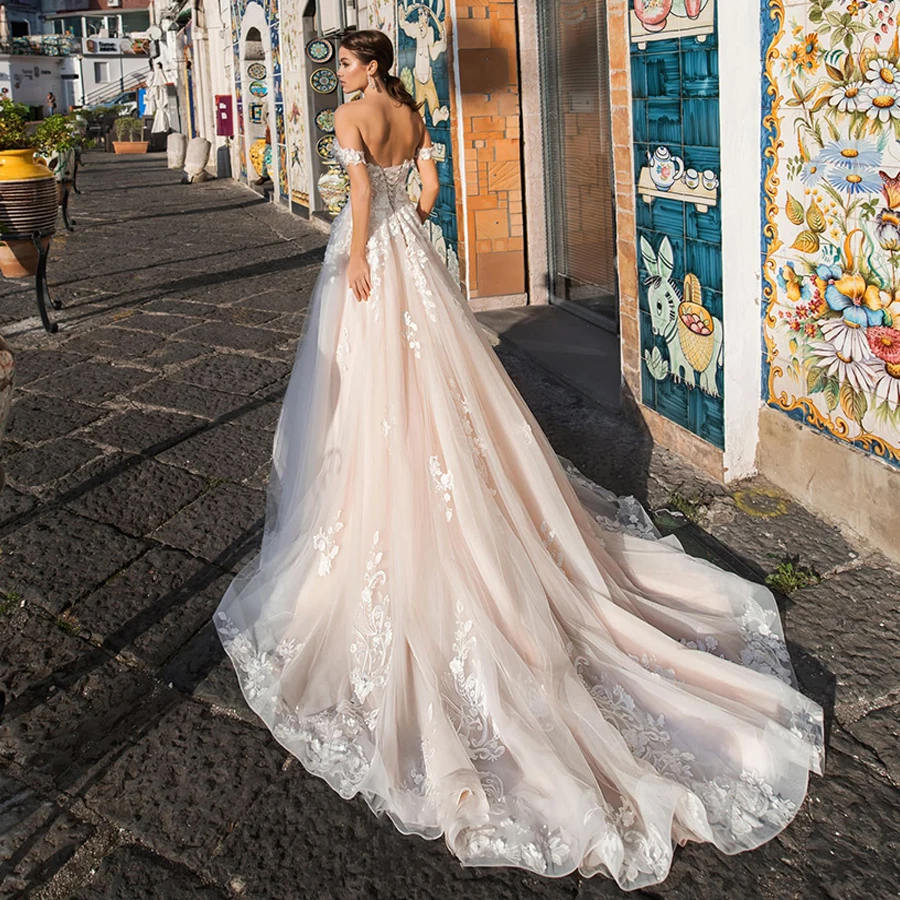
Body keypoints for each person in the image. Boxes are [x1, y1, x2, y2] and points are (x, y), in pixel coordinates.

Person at [213, 28, 825, 891]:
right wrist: (402, 225)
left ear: (368, 65)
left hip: (371, 266)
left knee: (368, 401)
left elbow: (361, 197)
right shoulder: (411, 113)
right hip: (416, 265)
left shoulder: (353, 117)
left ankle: (381, 517)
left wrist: (358, 257)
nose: (340, 76)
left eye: (346, 64)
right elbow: (425, 189)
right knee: (447, 397)